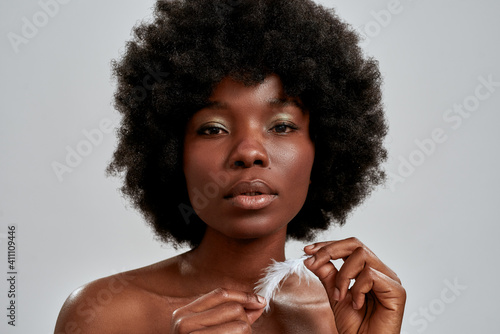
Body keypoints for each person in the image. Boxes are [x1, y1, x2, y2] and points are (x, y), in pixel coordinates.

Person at [54, 0, 406, 332]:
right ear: (174, 153)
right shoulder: (104, 316)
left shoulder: (348, 315)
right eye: (214, 129)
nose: (249, 152)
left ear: (325, 148)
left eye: (281, 126)